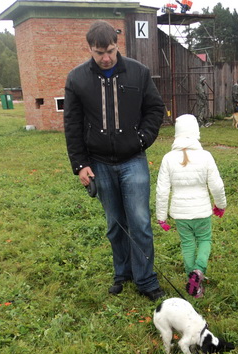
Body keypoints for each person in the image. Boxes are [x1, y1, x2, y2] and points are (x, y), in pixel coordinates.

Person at [64, 20, 166, 301]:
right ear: (90, 49)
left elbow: (155, 108)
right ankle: (123, 273)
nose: (106, 58)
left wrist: (142, 139)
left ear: (117, 45)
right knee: (115, 224)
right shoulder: (76, 79)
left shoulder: (138, 72)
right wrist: (80, 164)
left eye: (110, 51)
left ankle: (146, 280)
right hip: (98, 163)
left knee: (140, 222)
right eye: (99, 53)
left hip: (133, 159)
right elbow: (72, 124)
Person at [155, 114, 226, 298]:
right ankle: (199, 270)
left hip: (180, 213)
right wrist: (220, 205)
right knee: (204, 240)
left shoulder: (168, 158)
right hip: (202, 210)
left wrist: (161, 217)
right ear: (196, 133)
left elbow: (162, 190)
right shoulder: (205, 156)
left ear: (176, 134)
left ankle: (192, 281)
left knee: (187, 244)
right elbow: (217, 185)